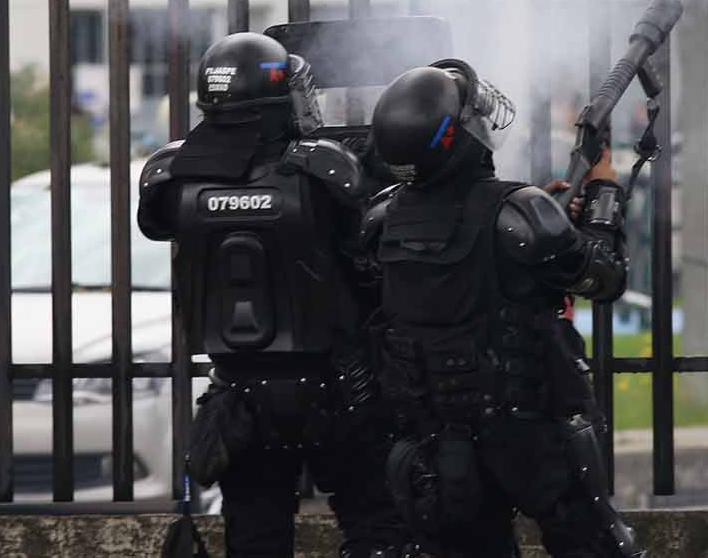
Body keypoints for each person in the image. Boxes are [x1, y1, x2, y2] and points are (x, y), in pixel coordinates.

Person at [138, 32, 406, 558]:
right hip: (338, 388)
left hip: (238, 395)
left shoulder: (169, 175)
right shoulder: (323, 169)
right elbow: (372, 255)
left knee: (255, 541)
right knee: (376, 531)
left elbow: (158, 224)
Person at [361, 59, 643, 558]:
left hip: (436, 437)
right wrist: (602, 192)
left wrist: (546, 220)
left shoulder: (384, 218)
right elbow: (603, 276)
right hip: (530, 431)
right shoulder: (517, 212)